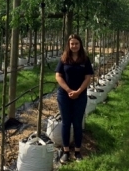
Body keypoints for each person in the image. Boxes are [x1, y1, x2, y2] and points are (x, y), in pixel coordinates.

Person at [55, 34, 94, 163]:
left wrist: (78, 92)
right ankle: (66, 151)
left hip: (80, 95)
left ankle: (77, 151)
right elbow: (58, 76)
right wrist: (69, 90)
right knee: (66, 123)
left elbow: (88, 77)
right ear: (69, 45)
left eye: (76, 43)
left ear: (80, 44)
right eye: (72, 44)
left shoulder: (85, 60)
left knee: (77, 123)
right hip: (64, 95)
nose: (74, 46)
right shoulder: (64, 58)